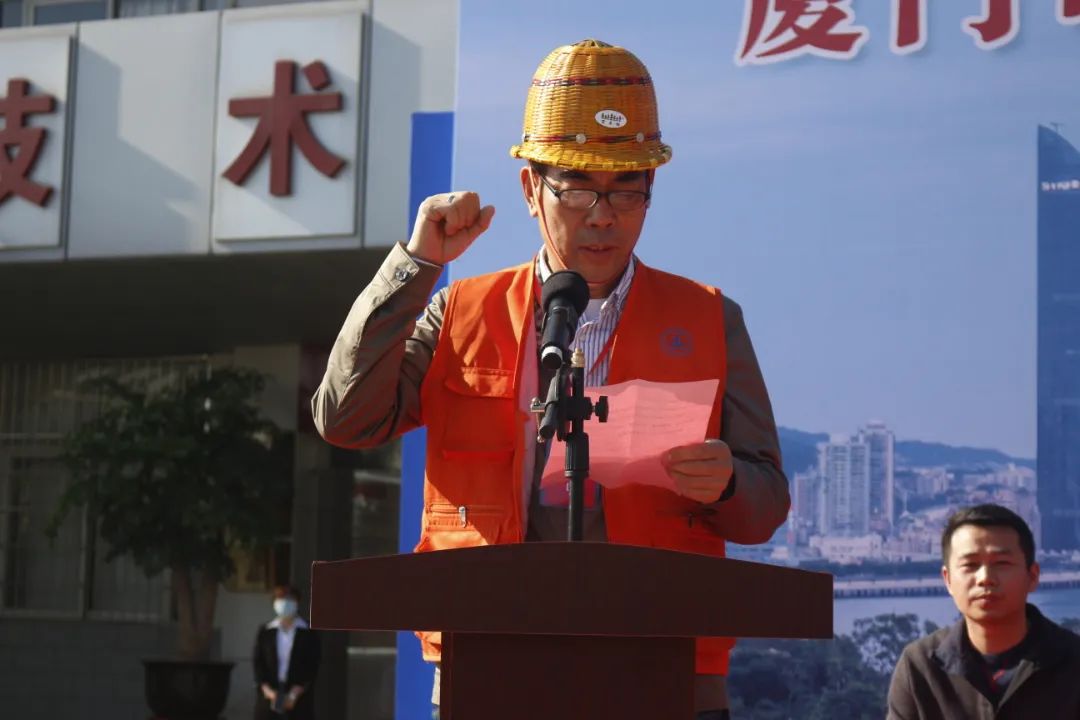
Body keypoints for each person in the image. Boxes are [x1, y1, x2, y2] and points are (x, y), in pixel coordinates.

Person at [312, 38, 789, 720]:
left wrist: (730, 482)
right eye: (578, 188)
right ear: (530, 188)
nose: (603, 215)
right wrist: (416, 265)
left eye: (627, 190)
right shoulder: (461, 310)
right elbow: (346, 417)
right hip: (489, 662)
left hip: (663, 667)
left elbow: (766, 503)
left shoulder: (709, 319)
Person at [887, 504, 1080, 719]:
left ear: (1032, 576)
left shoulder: (1073, 661)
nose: (985, 578)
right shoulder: (920, 666)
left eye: (1002, 563)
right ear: (948, 580)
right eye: (970, 565)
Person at [253, 585, 321, 720]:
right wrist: (269, 691)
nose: (285, 603)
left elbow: (312, 664)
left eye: (290, 599)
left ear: (297, 602)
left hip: (298, 696)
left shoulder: (308, 632)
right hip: (271, 693)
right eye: (281, 599)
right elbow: (258, 662)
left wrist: (294, 694)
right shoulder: (266, 631)